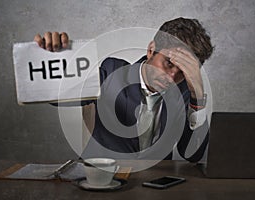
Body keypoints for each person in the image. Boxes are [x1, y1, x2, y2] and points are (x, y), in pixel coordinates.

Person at [34, 17, 214, 161]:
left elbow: (192, 155)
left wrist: (197, 98)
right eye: (168, 63)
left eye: (183, 72)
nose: (172, 77)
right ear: (151, 50)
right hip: (102, 180)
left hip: (154, 184)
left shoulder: (183, 92)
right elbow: (56, 97)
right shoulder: (112, 72)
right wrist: (53, 59)